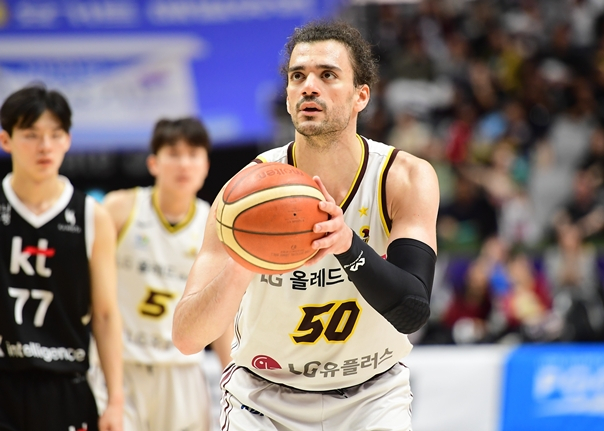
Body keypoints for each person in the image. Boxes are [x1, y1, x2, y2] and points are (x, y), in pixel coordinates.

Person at [173, 20, 440, 430]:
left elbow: (412, 311)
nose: (309, 87)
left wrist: (347, 244)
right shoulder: (242, 196)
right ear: (287, 96)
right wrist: (243, 264)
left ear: (361, 96)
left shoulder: (402, 178)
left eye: (327, 75)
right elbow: (187, 337)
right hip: (263, 399)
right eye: (298, 76)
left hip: (371, 398)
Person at [95, 118, 233, 431]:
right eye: (173, 153)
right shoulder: (119, 208)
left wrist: (232, 382)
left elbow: (221, 315)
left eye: (193, 154)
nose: (184, 163)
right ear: (153, 163)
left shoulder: (215, 225)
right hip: (120, 365)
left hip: (181, 370)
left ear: (206, 165)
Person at [0, 85, 124, 430]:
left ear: (68, 140)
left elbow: (105, 314)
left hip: (65, 384)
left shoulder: (91, 215)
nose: (45, 146)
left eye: (55, 135)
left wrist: (115, 400)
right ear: (6, 140)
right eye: (31, 134)